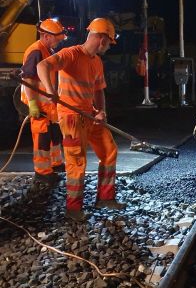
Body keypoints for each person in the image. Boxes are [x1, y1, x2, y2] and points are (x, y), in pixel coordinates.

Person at [37, 17, 124, 222]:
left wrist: (101, 112)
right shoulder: (71, 54)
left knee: (109, 151)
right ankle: (73, 209)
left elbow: (99, 90)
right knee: (77, 162)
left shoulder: (96, 62)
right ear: (102, 39)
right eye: (109, 43)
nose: (109, 47)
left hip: (90, 115)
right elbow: (43, 66)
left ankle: (105, 198)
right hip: (71, 118)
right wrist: (50, 91)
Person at [21, 18, 67, 194]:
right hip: (39, 105)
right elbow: (28, 79)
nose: (60, 40)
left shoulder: (48, 49)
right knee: (42, 138)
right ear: (46, 36)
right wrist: (33, 104)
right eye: (57, 37)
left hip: (48, 104)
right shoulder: (36, 51)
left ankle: (55, 164)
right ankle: (42, 173)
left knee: (54, 135)